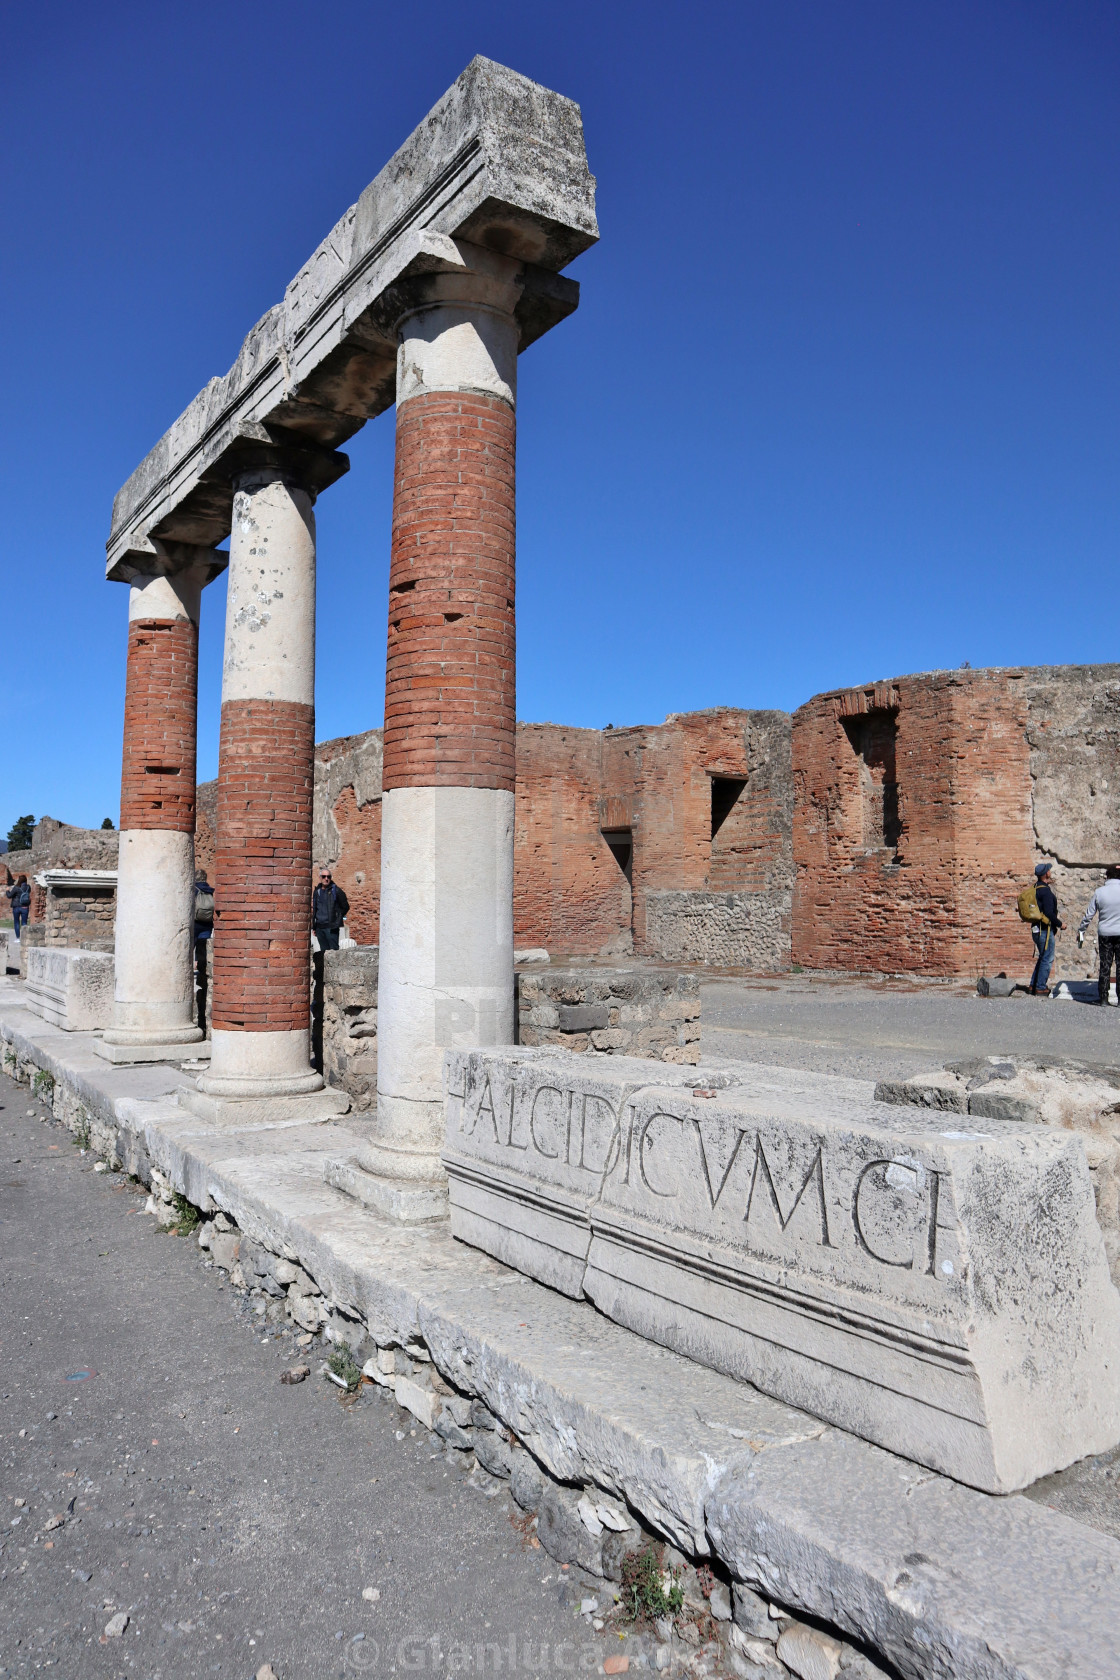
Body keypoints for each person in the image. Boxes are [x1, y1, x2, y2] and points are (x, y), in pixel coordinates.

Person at [1078, 864, 1120, 1006]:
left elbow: (1089, 915)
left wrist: (1081, 930)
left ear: (1107, 876)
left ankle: (1103, 998)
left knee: (1105, 966)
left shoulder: (1099, 892)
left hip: (1105, 934)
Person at [1028, 862, 1062, 996]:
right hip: (1044, 930)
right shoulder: (1045, 891)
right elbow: (1048, 912)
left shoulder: (1035, 888)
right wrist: (1060, 924)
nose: (1050, 871)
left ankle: (1033, 985)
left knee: (1042, 957)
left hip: (1036, 929)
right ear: (1046, 873)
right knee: (1047, 958)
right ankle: (1041, 987)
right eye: (1049, 870)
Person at [312, 868, 349, 952]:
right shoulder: (317, 891)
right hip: (319, 928)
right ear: (320, 877)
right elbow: (315, 909)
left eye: (328, 876)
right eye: (324, 876)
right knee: (323, 952)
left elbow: (345, 907)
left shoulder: (336, 891)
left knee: (334, 952)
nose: (326, 879)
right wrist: (314, 927)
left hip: (331, 928)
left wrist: (337, 918)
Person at [7, 874, 30, 940]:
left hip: (16, 907)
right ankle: (24, 938)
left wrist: (7, 890)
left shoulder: (16, 888)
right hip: (25, 907)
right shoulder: (28, 887)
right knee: (24, 923)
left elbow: (9, 896)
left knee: (16, 922)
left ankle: (18, 938)